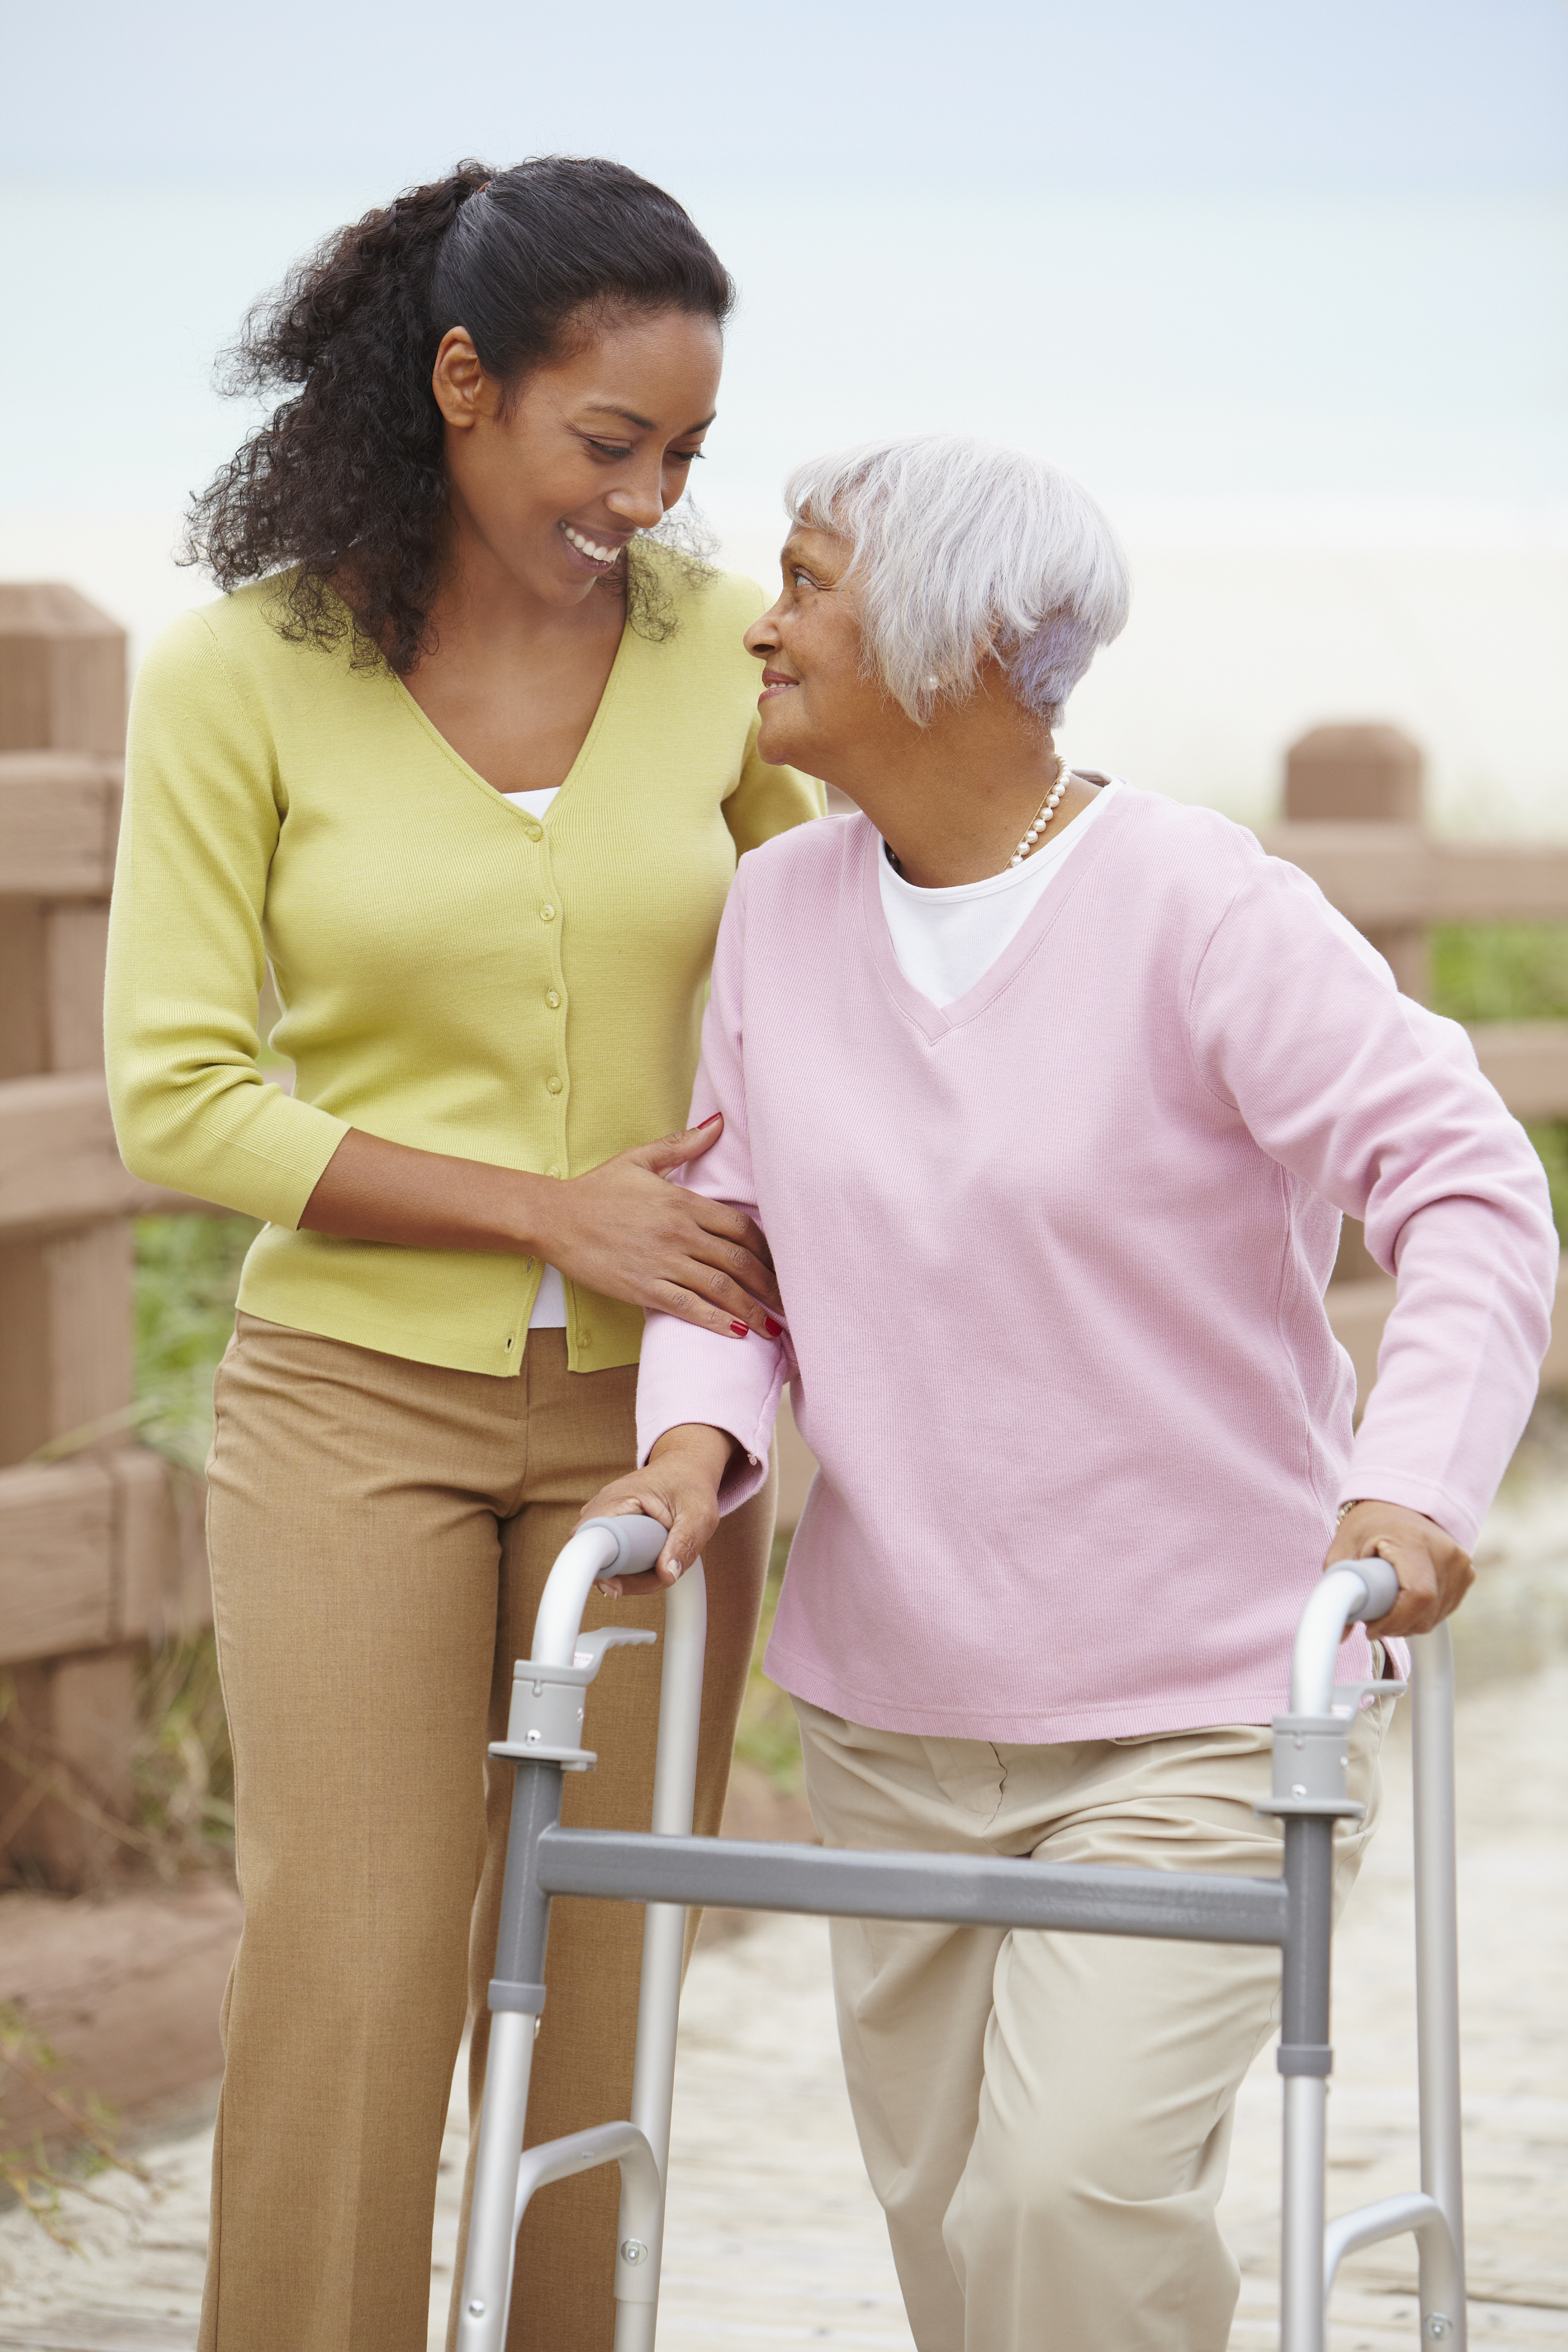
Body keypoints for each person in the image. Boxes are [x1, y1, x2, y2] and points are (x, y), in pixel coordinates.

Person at [581, 435, 1557, 2352]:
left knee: (1069, 2196)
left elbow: (1464, 1178)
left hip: (1195, 1710)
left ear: (956, 642)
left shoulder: (1197, 906)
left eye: (807, 580)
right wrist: (697, 1426)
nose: (758, 620)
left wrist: (1413, 1481)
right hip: (892, 1706)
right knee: (959, 2235)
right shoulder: (776, 917)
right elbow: (730, 1222)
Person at [104, 158, 820, 2352]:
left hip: (663, 1430)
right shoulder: (245, 674)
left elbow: (841, 1006)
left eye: (688, 453)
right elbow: (178, 1096)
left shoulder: (729, 653)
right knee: (358, 1957)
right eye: (608, 442)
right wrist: (543, 1204)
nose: (649, 497)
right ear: (458, 384)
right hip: (351, 1408)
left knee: (600, 1975)